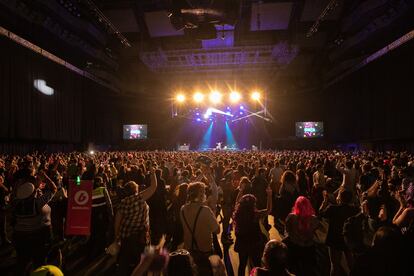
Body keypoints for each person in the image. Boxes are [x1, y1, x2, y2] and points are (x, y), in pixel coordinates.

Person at [113, 166, 157, 276]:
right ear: (136, 190)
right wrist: (152, 173)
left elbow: (117, 222)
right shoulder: (139, 198)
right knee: (142, 263)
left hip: (126, 236)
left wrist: (116, 237)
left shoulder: (123, 202)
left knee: (124, 262)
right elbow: (153, 186)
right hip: (140, 236)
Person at [12, 170, 57, 275]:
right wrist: (45, 177)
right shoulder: (37, 203)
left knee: (22, 261)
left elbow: (19, 193)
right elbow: (54, 189)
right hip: (38, 235)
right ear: (33, 192)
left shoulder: (15, 202)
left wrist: (30, 187)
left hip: (20, 236)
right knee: (39, 261)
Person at [180, 182, 220, 275]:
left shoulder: (182, 209)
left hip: (189, 249)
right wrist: (213, 212)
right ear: (200, 194)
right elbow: (217, 230)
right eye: (203, 192)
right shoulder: (205, 210)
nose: (205, 194)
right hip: (205, 251)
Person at [233, 186, 272, 276]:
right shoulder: (255, 215)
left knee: (242, 265)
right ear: (253, 205)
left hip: (242, 243)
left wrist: (240, 192)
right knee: (257, 265)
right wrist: (269, 196)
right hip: (254, 243)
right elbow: (268, 210)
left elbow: (236, 203)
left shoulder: (238, 214)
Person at [320, 189, 359, 276]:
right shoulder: (354, 210)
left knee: (334, 265)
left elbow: (320, 213)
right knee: (351, 264)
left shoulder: (332, 208)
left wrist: (325, 201)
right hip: (347, 238)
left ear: (340, 198)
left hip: (334, 239)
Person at [285, 196, 320, 276]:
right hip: (309, 247)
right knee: (309, 270)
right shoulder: (314, 219)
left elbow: (287, 230)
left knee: (294, 270)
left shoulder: (291, 217)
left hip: (294, 246)